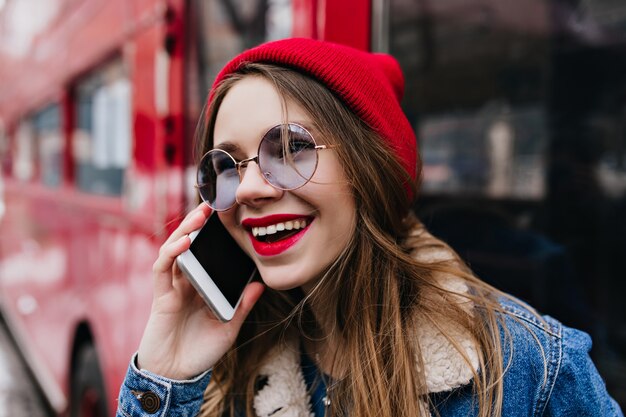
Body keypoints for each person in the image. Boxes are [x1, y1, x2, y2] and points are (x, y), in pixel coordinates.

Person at [116, 38, 623, 417]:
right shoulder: (227, 364)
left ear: (371, 169)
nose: (248, 189)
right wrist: (165, 377)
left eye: (291, 149)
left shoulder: (528, 370)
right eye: (226, 166)